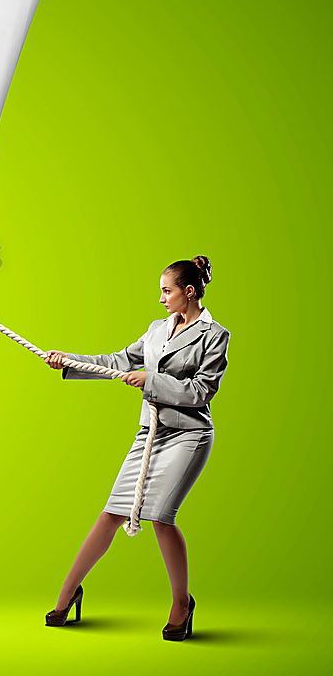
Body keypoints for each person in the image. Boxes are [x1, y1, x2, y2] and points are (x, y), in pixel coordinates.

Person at [40, 255, 229, 641]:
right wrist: (67, 361)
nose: (160, 299)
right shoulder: (157, 329)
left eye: (166, 291)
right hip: (149, 433)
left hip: (188, 435)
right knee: (111, 513)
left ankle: (181, 604)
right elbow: (119, 360)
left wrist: (150, 380)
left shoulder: (216, 335)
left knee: (161, 516)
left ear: (188, 292)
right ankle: (66, 595)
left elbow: (201, 391)